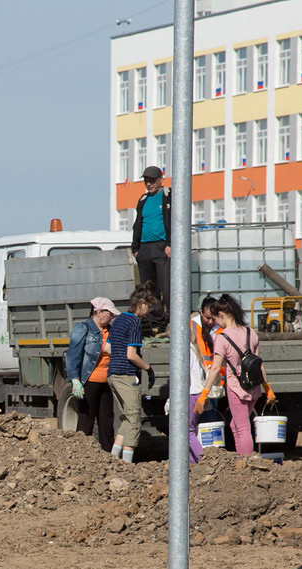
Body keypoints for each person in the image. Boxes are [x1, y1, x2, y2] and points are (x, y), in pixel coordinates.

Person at [195, 294, 276, 456]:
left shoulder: (223, 337)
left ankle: (246, 462)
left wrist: (204, 394)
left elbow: (216, 368)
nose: (215, 322)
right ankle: (242, 459)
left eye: (216, 318)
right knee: (235, 424)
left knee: (242, 427)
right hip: (253, 387)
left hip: (236, 388)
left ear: (222, 315)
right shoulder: (251, 332)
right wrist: (268, 389)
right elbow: (259, 364)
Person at [106, 287, 160, 464]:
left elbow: (107, 348)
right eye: (148, 307)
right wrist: (148, 369)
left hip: (113, 374)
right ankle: (128, 464)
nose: (149, 311)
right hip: (127, 375)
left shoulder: (118, 319)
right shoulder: (134, 322)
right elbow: (131, 355)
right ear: (141, 304)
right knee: (135, 418)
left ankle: (114, 460)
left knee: (127, 419)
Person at [65, 296, 119, 452]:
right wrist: (75, 379)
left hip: (107, 382)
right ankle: (81, 455)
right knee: (86, 419)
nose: (111, 317)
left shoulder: (111, 330)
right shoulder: (83, 329)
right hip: (90, 381)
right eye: (109, 313)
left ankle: (107, 456)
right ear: (99, 312)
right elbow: (73, 355)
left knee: (107, 422)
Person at [131, 165, 172, 309]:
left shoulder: (169, 196)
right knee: (148, 291)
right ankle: (157, 324)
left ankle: (172, 321)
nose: (149, 184)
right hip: (144, 249)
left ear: (160, 179)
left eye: (152, 180)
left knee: (167, 289)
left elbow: (176, 221)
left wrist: (170, 244)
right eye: (146, 181)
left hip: (162, 247)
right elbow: (138, 224)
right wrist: (135, 249)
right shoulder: (143, 199)